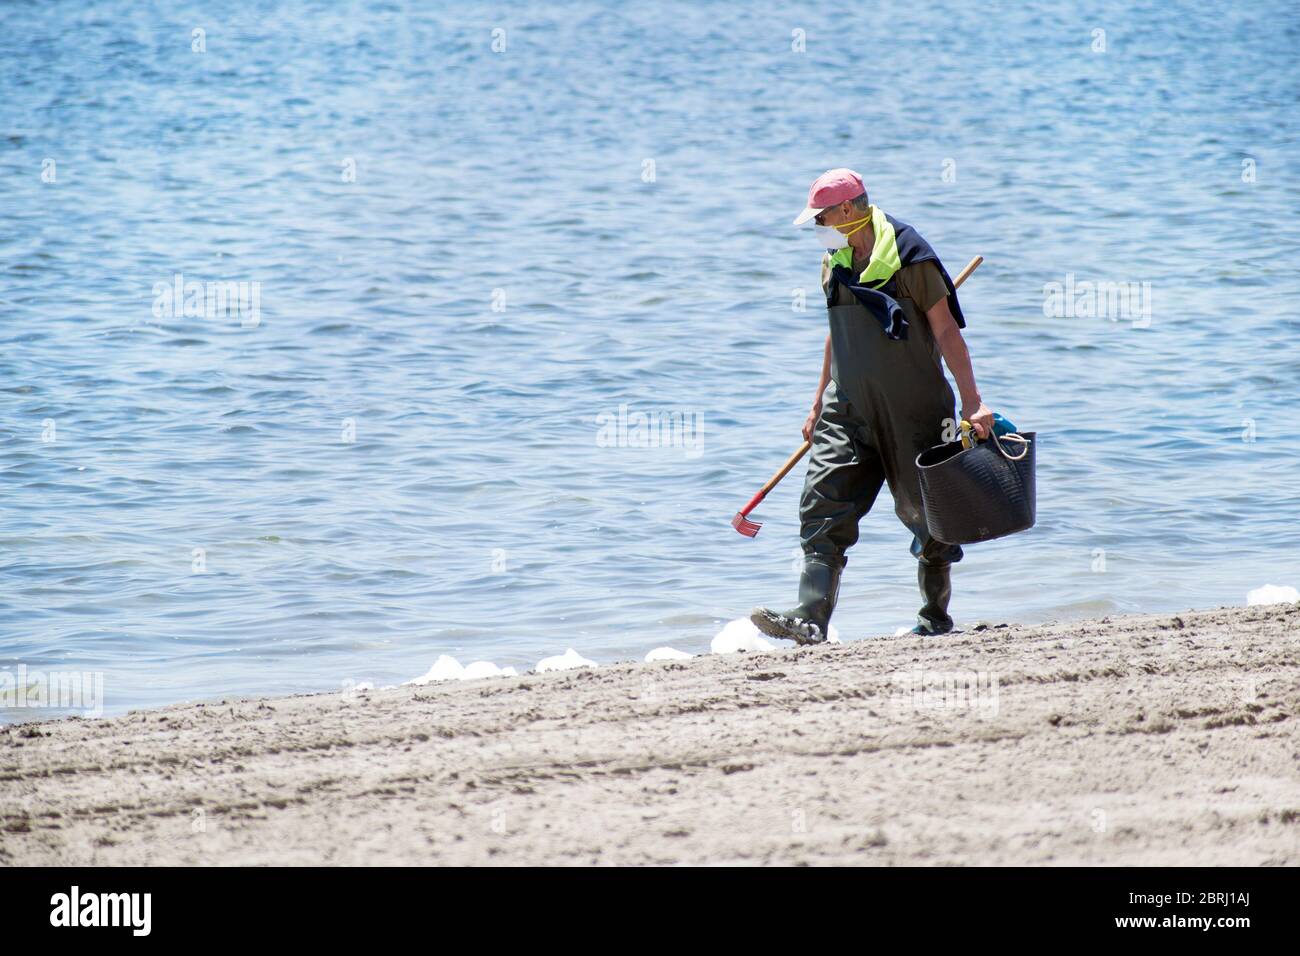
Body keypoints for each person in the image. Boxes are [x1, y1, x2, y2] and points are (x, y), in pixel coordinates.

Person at [751, 168, 994, 643]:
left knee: (930, 517)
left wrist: (974, 403)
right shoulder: (834, 262)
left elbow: (946, 331)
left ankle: (934, 619)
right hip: (849, 410)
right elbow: (836, 333)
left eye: (823, 216)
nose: (820, 224)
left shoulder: (911, 257)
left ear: (846, 210)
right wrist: (817, 400)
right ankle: (810, 617)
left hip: (916, 410)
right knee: (822, 503)